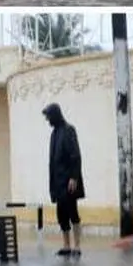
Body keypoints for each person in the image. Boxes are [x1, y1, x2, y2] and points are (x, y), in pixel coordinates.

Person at [42, 103, 85, 257]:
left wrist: (74, 177)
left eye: (49, 117)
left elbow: (76, 156)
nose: (48, 120)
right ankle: (66, 245)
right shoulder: (54, 134)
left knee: (72, 212)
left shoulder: (68, 130)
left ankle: (77, 246)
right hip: (57, 181)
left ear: (55, 115)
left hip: (68, 181)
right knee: (61, 214)